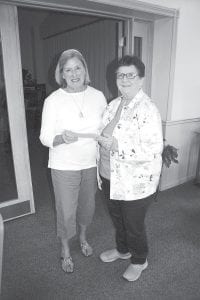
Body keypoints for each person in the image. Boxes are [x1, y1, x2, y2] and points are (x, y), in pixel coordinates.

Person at [39, 49, 107, 273]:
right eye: (68, 69)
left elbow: (104, 129)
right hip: (64, 166)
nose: (74, 73)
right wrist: (60, 138)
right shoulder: (53, 100)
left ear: (85, 69)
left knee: (87, 207)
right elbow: (45, 137)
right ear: (62, 74)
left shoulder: (98, 96)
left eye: (78, 67)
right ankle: (66, 249)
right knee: (66, 211)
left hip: (90, 163)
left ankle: (83, 238)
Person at [97, 55, 163, 282]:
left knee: (133, 225)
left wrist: (118, 146)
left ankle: (139, 260)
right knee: (118, 220)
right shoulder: (112, 105)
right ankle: (123, 250)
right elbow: (101, 134)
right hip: (109, 175)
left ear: (141, 79)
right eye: (120, 75)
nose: (124, 79)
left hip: (136, 182)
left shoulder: (148, 109)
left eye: (130, 75)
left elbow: (154, 149)